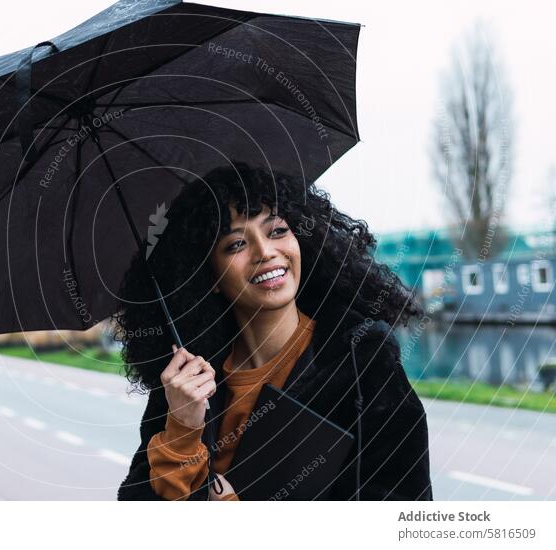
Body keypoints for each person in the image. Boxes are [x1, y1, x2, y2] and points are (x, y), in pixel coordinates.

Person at [114, 162, 432, 501]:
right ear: (210, 277)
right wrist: (183, 428)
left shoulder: (361, 361)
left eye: (277, 230)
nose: (265, 252)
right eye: (236, 244)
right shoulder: (185, 383)